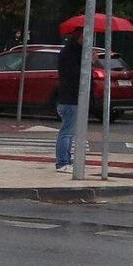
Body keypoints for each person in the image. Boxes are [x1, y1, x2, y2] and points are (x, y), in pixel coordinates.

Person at [55, 30, 83, 172]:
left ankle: (66, 160)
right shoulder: (69, 53)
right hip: (69, 98)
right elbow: (74, 73)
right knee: (67, 131)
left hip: (71, 97)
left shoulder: (74, 51)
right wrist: (89, 62)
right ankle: (62, 162)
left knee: (69, 131)